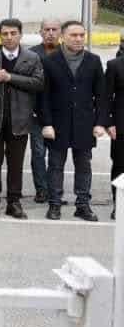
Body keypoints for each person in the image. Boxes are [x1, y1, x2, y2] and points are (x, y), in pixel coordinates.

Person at [37, 20, 106, 222]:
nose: (78, 39)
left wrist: (100, 122)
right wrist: (46, 123)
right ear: (63, 37)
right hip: (57, 124)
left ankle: (82, 205)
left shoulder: (93, 60)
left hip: (85, 123)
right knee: (55, 165)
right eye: (73, 35)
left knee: (84, 166)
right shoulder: (50, 61)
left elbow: (101, 96)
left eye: (81, 35)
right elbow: (43, 96)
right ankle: (54, 204)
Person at [0, 18, 44, 220]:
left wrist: (10, 78)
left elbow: (38, 83)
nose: (9, 37)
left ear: (20, 34)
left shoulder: (32, 57)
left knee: (16, 164)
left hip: (20, 118)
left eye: (13, 33)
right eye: (5, 33)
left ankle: (14, 202)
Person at [28, 18, 64, 206]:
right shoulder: (31, 54)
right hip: (36, 113)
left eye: (54, 29)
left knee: (57, 155)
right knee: (38, 153)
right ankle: (41, 190)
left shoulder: (67, 53)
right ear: (41, 32)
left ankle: (55, 191)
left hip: (60, 113)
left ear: (60, 32)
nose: (50, 33)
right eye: (47, 29)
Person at [106, 46, 123, 220]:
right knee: (120, 166)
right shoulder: (114, 65)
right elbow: (106, 97)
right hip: (120, 126)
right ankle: (119, 204)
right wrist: (109, 122)